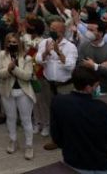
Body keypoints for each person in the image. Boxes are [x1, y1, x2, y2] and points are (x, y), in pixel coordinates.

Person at [50, 65, 107, 174]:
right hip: (100, 163)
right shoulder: (102, 108)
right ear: (88, 87)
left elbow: (56, 135)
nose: (97, 88)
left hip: (73, 161)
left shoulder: (58, 102)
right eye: (96, 85)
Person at [77, 20, 107, 167]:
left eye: (92, 29)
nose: (88, 31)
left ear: (101, 33)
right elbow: (80, 66)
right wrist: (102, 67)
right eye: (88, 28)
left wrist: (96, 67)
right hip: (89, 92)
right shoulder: (84, 46)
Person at [35, 20, 76, 150]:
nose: (52, 31)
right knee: (53, 113)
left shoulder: (70, 47)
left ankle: (70, 140)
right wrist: (46, 52)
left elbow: (70, 66)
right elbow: (38, 60)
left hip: (65, 86)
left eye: (55, 29)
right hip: (49, 84)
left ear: (62, 31)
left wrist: (58, 52)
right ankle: (56, 139)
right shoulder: (44, 42)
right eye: (51, 28)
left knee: (68, 114)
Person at [0, 32, 35, 160]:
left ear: (19, 43)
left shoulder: (27, 57)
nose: (12, 44)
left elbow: (27, 76)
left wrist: (14, 69)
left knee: (26, 120)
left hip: (23, 92)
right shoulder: (2, 55)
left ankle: (29, 146)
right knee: (11, 118)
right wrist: (8, 70)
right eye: (9, 42)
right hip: (7, 92)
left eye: (14, 42)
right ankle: (13, 140)